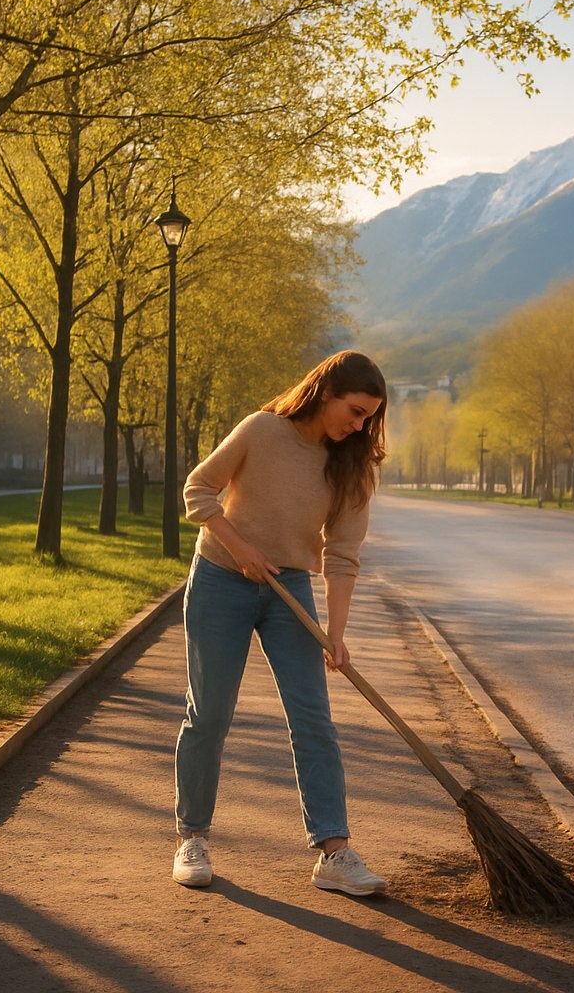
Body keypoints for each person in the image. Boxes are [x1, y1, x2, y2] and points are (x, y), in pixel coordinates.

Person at [172, 350, 389, 897]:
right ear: (326, 393)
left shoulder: (353, 466)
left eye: (369, 418)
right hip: (222, 576)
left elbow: (341, 556)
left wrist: (336, 637)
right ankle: (192, 837)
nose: (359, 425)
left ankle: (333, 852)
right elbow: (198, 489)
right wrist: (240, 548)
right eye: (355, 411)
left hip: (288, 587)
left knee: (313, 717)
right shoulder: (263, 431)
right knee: (210, 714)